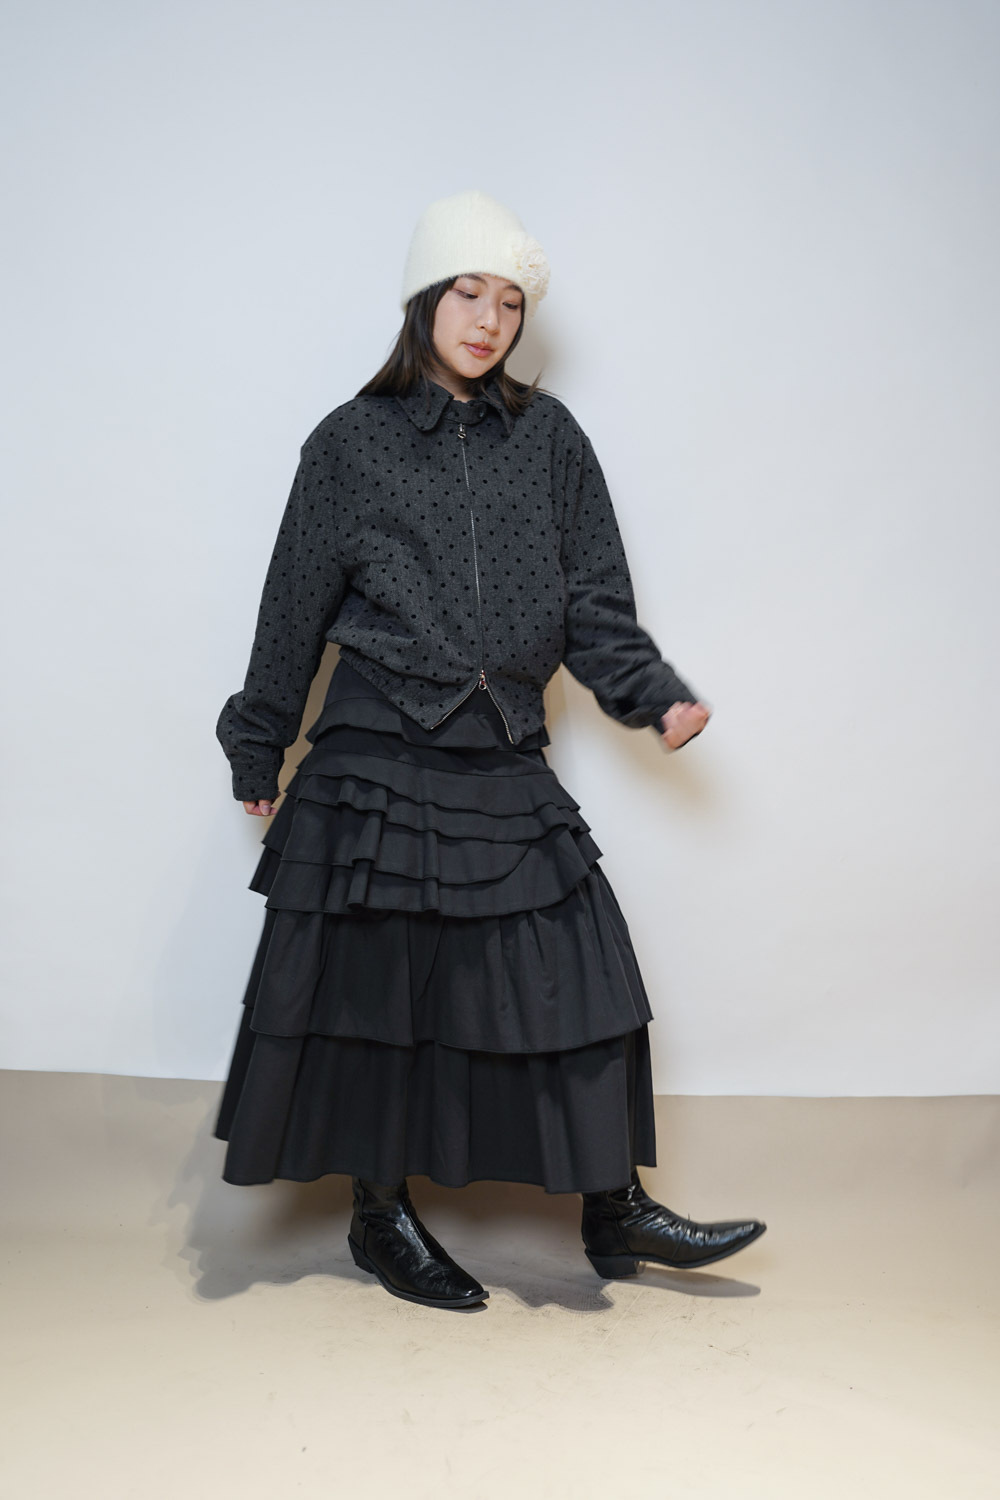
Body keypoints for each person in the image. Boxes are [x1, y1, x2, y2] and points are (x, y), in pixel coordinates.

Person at [213, 188, 767, 1310]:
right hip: (377, 748)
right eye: (468, 293)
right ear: (424, 297)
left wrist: (653, 696)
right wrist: (258, 745)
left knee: (576, 973)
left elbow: (596, 600)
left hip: (502, 741)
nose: (488, 321)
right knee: (381, 995)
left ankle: (614, 1209)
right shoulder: (349, 442)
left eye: (510, 303)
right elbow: (291, 605)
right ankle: (381, 1216)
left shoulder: (549, 439)